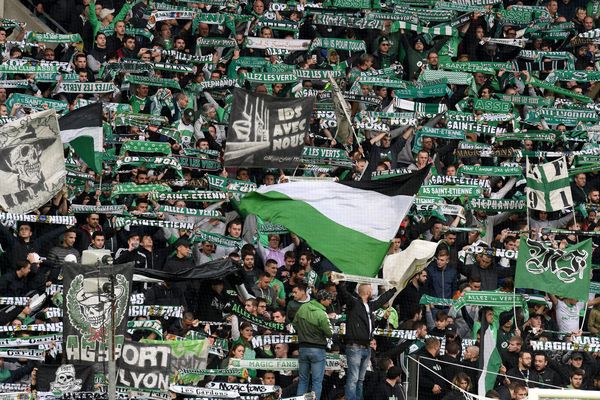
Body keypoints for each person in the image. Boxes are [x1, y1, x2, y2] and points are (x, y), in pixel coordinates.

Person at [335, 282, 397, 400]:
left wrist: (394, 289)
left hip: (366, 347)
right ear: (367, 292)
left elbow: (382, 299)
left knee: (360, 379)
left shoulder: (370, 306)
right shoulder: (353, 303)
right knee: (353, 378)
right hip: (355, 346)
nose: (373, 291)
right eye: (371, 289)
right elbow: (344, 294)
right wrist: (339, 284)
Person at [293, 289, 334, 400]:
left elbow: (295, 324)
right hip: (317, 349)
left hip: (303, 348)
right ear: (322, 300)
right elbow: (330, 333)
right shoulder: (322, 314)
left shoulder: (303, 308)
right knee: (317, 381)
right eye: (329, 299)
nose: (330, 302)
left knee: (303, 380)